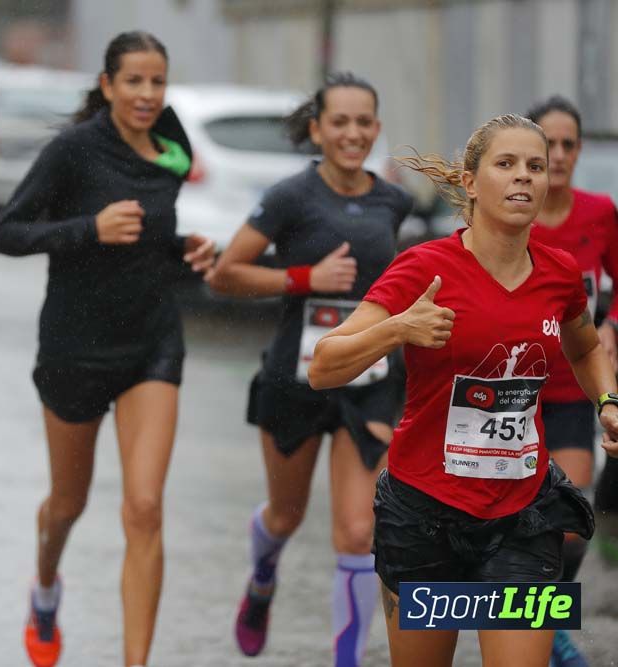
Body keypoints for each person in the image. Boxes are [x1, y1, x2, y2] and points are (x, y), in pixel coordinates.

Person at [308, 113, 618, 667]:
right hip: (426, 516)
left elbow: (586, 347)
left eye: (535, 167)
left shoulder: (560, 273)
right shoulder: (423, 269)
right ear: (471, 182)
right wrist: (399, 328)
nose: (523, 177)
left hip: (524, 516)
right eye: (506, 164)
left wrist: (608, 402)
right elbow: (324, 365)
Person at [0, 31, 215, 667]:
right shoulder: (73, 151)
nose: (147, 94)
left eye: (157, 82)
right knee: (68, 505)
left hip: (152, 341)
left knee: (144, 507)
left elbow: (152, 236)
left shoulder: (172, 148)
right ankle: (45, 586)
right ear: (108, 85)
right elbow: (5, 233)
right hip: (75, 345)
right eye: (135, 82)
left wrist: (188, 251)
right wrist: (90, 228)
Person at [206, 72, 412, 665]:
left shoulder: (392, 200)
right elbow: (226, 274)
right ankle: (263, 577)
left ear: (376, 128)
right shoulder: (291, 196)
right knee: (286, 514)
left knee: (356, 533)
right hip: (295, 378)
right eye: (340, 122)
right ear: (317, 129)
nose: (353, 133)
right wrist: (305, 279)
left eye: (364, 122)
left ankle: (344, 660)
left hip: (368, 383)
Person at [526, 95, 618, 667]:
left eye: (567, 144)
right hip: (507, 390)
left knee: (572, 523)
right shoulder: (510, 208)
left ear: (579, 151)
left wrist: (609, 326)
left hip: (566, 393)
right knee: (505, 520)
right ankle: (520, 627)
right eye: (547, 145)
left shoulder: (599, 211)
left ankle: (547, 626)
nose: (557, 155)